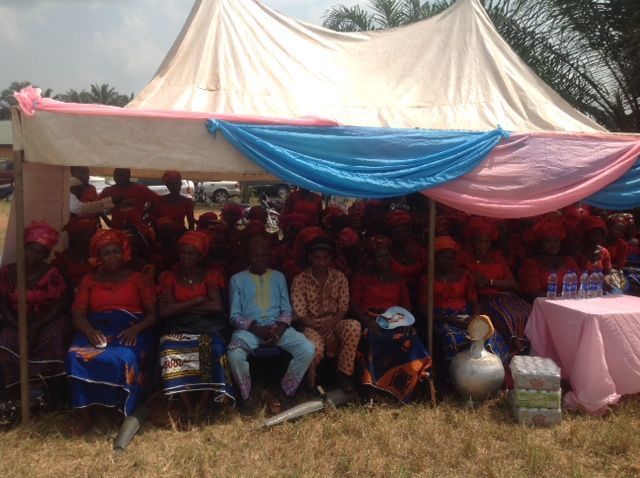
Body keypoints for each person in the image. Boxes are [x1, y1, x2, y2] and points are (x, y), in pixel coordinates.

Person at [66, 229, 157, 435]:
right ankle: (86, 415)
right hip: (98, 328)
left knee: (124, 357)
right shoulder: (89, 281)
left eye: (116, 251)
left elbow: (153, 314)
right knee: (76, 355)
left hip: (132, 329)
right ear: (98, 257)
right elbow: (78, 313)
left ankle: (121, 410)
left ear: (123, 252)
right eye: (107, 253)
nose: (112, 257)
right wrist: (89, 331)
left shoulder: (137, 279)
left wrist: (136, 329)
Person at [227, 238, 315, 415]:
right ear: (248, 257)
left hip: (278, 329)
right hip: (250, 330)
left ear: (269, 257)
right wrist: (257, 329)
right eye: (256, 256)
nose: (260, 260)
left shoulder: (278, 276)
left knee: (307, 348)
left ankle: (285, 392)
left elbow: (287, 311)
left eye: (264, 256)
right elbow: (234, 316)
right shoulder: (237, 279)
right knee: (234, 352)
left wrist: (279, 329)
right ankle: (247, 397)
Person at [157, 231, 234, 420]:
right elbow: (165, 311)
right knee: (169, 348)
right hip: (178, 327)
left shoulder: (210, 276)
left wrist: (179, 306)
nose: (186, 258)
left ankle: (204, 402)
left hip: (206, 326)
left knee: (213, 348)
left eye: (191, 254)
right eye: (183, 253)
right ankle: (186, 404)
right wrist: (199, 299)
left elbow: (216, 306)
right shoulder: (170, 277)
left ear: (200, 256)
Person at [349, 236, 430, 403]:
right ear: (372, 259)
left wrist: (409, 323)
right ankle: (373, 390)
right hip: (371, 322)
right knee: (374, 341)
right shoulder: (362, 278)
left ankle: (408, 389)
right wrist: (366, 321)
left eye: (386, 256)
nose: (383, 259)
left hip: (396, 322)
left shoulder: (398, 279)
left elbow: (406, 306)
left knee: (411, 342)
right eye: (379, 256)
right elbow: (352, 304)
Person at [0, 222, 69, 397]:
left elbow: (60, 304)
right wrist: (18, 326)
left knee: (54, 336)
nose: (34, 255)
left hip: (47, 319)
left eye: (40, 252)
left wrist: (37, 327)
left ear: (46, 255)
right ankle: (15, 389)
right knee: (6, 341)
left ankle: (47, 389)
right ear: (24, 249)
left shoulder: (51, 273)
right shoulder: (7, 272)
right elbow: (2, 303)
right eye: (31, 249)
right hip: (16, 320)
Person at [422, 235, 509, 364]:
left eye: (451, 259)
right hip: (441, 317)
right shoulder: (427, 279)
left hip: (464, 314)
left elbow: (474, 302)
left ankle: (492, 368)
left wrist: (475, 317)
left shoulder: (464, 275)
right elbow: (424, 311)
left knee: (489, 333)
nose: (447, 262)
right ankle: (460, 375)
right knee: (454, 337)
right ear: (435, 258)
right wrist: (450, 320)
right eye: (443, 258)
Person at [291, 237, 361, 389]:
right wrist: (325, 332)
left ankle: (344, 375)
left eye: (325, 258)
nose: (321, 262)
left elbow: (343, 307)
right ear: (310, 258)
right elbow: (300, 314)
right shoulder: (300, 280)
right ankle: (312, 384)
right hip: (311, 324)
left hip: (334, 320)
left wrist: (332, 324)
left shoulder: (339, 277)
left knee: (353, 326)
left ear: (331, 258)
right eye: (317, 258)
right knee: (313, 347)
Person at [458, 217, 532, 355]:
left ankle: (529, 350)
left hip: (507, 298)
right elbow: (456, 273)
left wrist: (489, 281)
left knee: (529, 312)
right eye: (479, 241)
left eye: (487, 242)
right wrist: (469, 273)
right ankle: (513, 352)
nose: (483, 245)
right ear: (473, 242)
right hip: (486, 300)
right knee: (507, 317)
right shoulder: (465, 258)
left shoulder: (497, 257)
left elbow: (511, 283)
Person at [518, 217, 580, 300]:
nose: (553, 244)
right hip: (543, 305)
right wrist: (557, 300)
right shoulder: (531, 264)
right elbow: (533, 293)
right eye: (548, 241)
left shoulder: (569, 261)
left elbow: (579, 284)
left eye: (556, 240)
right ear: (540, 244)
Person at [53, 215, 97, 291]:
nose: (93, 238)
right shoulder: (65, 257)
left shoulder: (101, 252)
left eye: (94, 234)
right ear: (77, 237)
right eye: (89, 235)